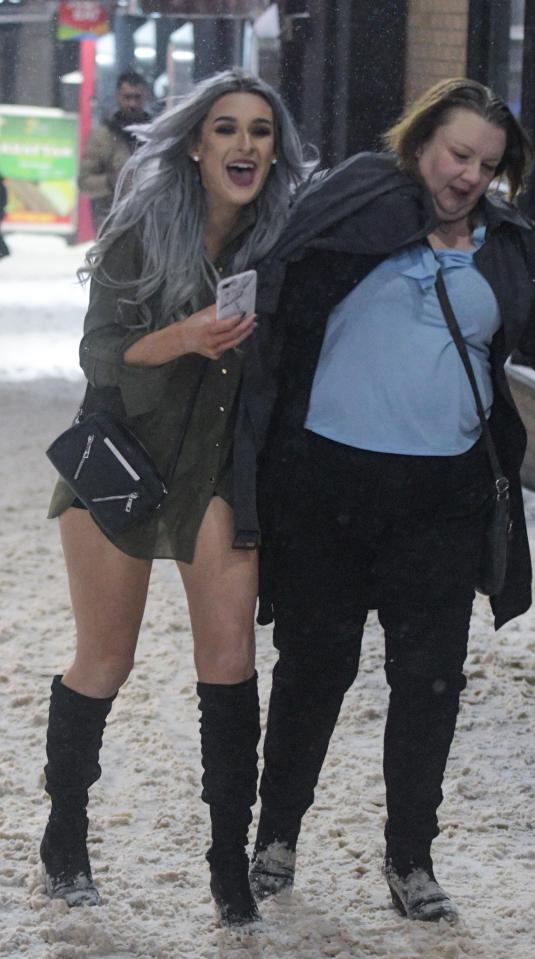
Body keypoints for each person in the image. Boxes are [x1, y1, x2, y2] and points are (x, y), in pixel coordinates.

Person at [244, 78, 535, 923]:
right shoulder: (352, 203)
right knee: (315, 668)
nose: (469, 175)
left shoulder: (506, 243)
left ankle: (411, 858)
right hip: (328, 486)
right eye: (459, 154)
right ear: (420, 140)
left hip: (444, 497)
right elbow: (269, 292)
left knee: (429, 682)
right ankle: (275, 837)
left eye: (488, 165)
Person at [41, 68, 309, 927]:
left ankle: (228, 866)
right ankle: (66, 831)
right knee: (105, 660)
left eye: (260, 131)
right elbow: (100, 357)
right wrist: (186, 336)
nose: (244, 145)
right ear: (195, 143)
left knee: (229, 665)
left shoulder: (282, 243)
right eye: (225, 129)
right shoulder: (141, 229)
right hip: (121, 460)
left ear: (277, 149)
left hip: (218, 471)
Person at [77, 70, 151, 230]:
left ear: (145, 97)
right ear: (118, 97)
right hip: (112, 228)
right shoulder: (102, 137)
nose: (132, 104)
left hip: (151, 227)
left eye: (137, 97)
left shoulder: (157, 136)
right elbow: (84, 183)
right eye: (127, 97)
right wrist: (113, 181)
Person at [0, 173, 10, 258]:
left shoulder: (1, 187)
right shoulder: (3, 187)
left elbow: (4, 201)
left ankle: (4, 250)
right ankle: (4, 250)